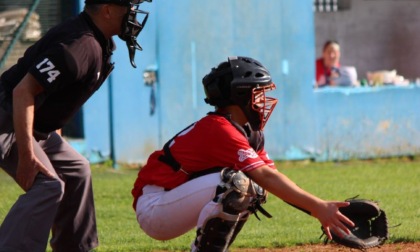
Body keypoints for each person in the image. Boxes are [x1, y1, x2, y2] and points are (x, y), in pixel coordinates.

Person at [132, 56, 354, 251]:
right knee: (236, 184)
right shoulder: (219, 128)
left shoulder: (248, 132)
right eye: (258, 93)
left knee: (255, 188)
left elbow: (272, 181)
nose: (263, 100)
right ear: (239, 95)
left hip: (175, 199)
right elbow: (266, 177)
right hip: (155, 207)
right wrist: (318, 208)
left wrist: (322, 209)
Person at [0, 0, 151, 251]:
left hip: (32, 122)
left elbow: (54, 97)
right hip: (7, 116)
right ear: (108, 10)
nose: (133, 15)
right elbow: (23, 91)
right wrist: (27, 155)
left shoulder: (97, 41)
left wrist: (52, 140)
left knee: (77, 169)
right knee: (48, 184)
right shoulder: (80, 46)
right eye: (129, 8)